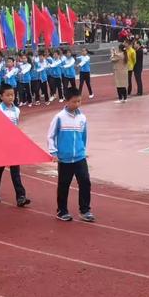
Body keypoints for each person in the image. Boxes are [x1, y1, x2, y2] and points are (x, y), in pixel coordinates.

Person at [47, 88, 94, 223]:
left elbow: (83, 136)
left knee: (85, 182)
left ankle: (85, 210)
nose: (77, 104)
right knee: (64, 184)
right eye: (74, 102)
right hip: (65, 159)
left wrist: (83, 150)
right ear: (67, 101)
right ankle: (62, 211)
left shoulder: (82, 118)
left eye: (79, 101)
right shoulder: (59, 117)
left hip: (79, 157)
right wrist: (54, 152)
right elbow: (50, 136)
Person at [0, 84, 31, 208]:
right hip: (1, 145)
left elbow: (16, 126)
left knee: (15, 171)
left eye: (12, 95)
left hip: (13, 145)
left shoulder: (16, 110)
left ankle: (20, 196)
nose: (10, 97)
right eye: (7, 95)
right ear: (1, 96)